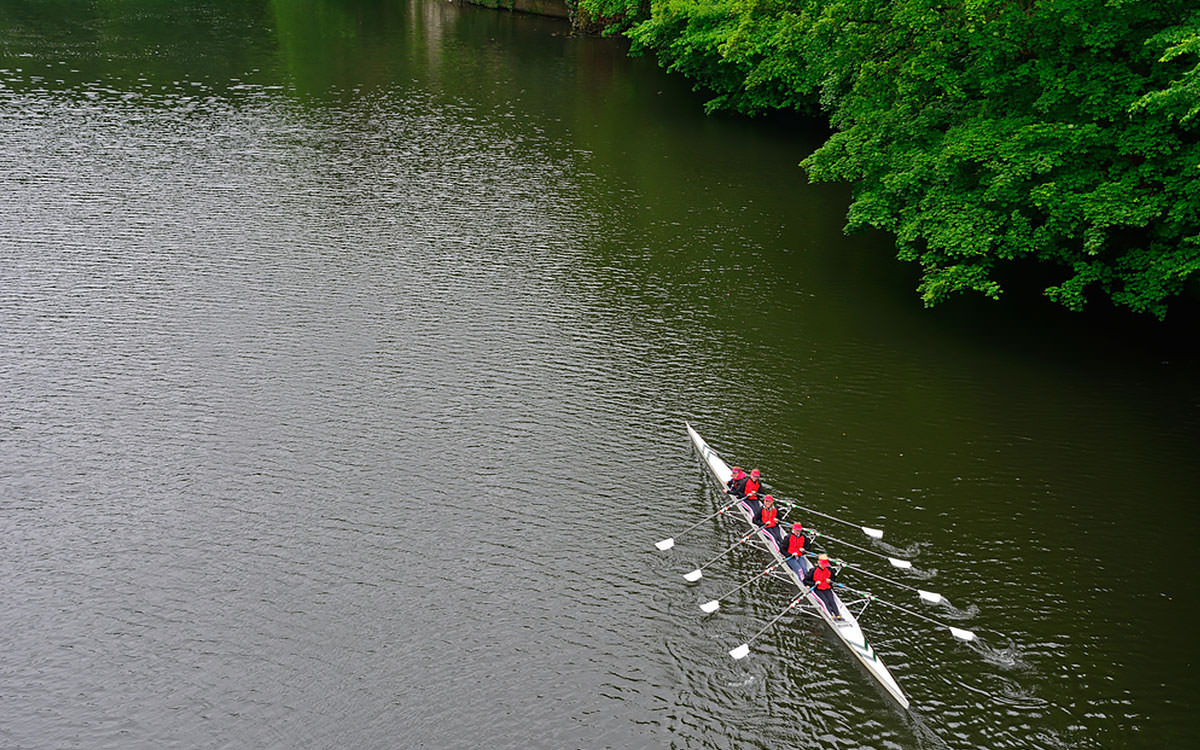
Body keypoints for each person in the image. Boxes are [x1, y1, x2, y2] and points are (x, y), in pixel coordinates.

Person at [804, 553, 841, 620]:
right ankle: (830, 616)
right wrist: (814, 583)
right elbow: (806, 580)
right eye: (823, 565)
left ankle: (838, 615)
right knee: (825, 601)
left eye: (825, 565)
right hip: (817, 588)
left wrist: (830, 580)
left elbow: (833, 579)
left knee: (832, 601)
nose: (824, 566)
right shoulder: (813, 570)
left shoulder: (829, 570)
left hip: (827, 588)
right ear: (819, 562)